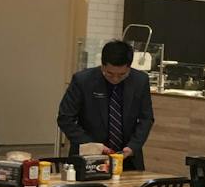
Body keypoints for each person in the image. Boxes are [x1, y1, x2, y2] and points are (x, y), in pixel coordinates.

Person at [57, 39, 154, 170]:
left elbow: (146, 118)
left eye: (121, 75)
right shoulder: (83, 81)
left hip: (127, 159)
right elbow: (65, 118)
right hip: (88, 157)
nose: (115, 79)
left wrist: (133, 146)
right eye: (109, 73)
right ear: (102, 65)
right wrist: (92, 146)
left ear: (129, 67)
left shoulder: (140, 81)